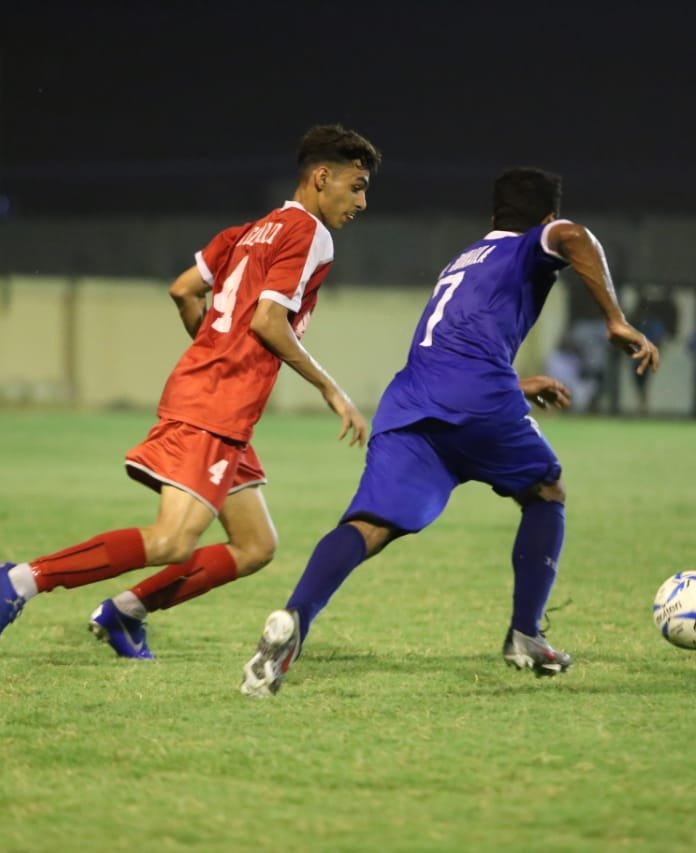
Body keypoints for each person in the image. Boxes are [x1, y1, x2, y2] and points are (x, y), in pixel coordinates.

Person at [239, 167, 659, 697]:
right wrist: (615, 319)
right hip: (475, 400)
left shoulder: (465, 259)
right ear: (546, 217)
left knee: (369, 525)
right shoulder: (533, 244)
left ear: (494, 215)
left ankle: (294, 620)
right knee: (546, 490)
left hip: (411, 403)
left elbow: (456, 344)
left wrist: (514, 383)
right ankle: (525, 634)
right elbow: (575, 236)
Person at [0, 124, 381, 659]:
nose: (362, 202)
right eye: (356, 186)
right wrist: (332, 389)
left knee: (255, 545)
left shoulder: (248, 231)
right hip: (216, 405)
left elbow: (184, 289)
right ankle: (20, 580)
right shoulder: (310, 234)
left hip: (218, 401)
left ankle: (124, 613)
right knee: (171, 540)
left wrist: (214, 346)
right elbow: (268, 321)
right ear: (322, 177)